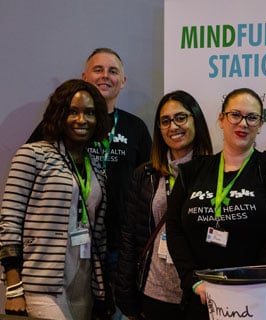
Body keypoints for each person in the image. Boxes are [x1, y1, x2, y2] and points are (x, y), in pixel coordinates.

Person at [27, 48, 153, 317]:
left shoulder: (136, 128)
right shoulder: (59, 126)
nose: (105, 76)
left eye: (113, 71)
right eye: (98, 69)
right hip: (65, 248)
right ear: (84, 76)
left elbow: (148, 186)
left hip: (119, 245)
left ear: (124, 81)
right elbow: (31, 181)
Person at [166, 88, 266, 320]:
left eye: (252, 117)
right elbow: (174, 227)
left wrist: (251, 283)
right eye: (235, 115)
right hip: (202, 296)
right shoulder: (193, 171)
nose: (243, 123)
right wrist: (193, 281)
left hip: (255, 299)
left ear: (260, 124)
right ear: (221, 119)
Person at [0, 79, 110, 319]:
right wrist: (13, 288)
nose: (82, 120)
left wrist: (101, 287)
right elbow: (9, 221)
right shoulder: (32, 154)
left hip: (84, 283)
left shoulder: (96, 164)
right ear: (59, 115)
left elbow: (98, 229)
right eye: (73, 111)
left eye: (90, 113)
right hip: (42, 282)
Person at [115, 90, 213, 320]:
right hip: (154, 290)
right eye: (165, 121)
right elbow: (131, 236)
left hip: (198, 291)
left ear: (195, 120)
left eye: (181, 117)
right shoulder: (146, 174)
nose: (173, 126)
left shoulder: (213, 171)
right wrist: (126, 294)